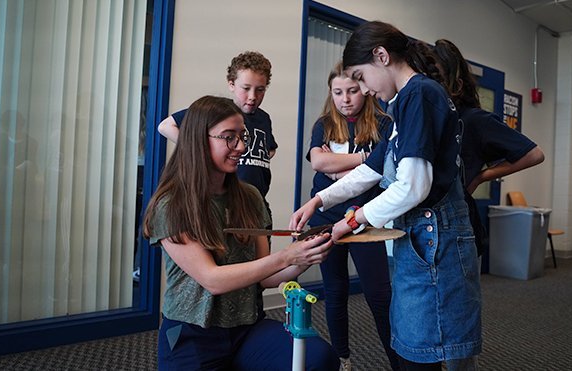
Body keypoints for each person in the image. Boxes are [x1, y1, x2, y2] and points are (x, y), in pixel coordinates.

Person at [290, 21, 481, 371]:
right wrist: (318, 202)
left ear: (381, 56)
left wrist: (353, 220)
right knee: (417, 347)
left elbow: (412, 186)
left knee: (426, 353)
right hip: (421, 241)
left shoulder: (417, 95)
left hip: (435, 242)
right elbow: (372, 169)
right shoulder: (405, 103)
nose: (364, 90)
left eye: (361, 78)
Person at [143, 95, 339, 370]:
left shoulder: (249, 196)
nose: (242, 147)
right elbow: (213, 280)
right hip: (193, 335)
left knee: (319, 358)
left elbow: (265, 277)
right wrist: (287, 257)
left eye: (242, 136)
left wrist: (305, 256)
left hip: (247, 329)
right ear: (198, 140)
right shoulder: (172, 204)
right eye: (229, 137)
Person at [306, 61, 399, 370]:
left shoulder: (384, 123)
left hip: (364, 218)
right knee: (335, 291)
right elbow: (319, 164)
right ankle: (342, 358)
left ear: (365, 90)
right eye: (337, 92)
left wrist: (340, 163)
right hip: (325, 216)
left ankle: (398, 361)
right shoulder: (323, 123)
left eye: (352, 91)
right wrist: (362, 158)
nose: (345, 99)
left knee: (379, 294)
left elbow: (376, 172)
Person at [432, 39, 545, 258]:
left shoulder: (475, 120)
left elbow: (534, 154)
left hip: (457, 224)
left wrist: (481, 177)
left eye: (437, 78)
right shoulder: (431, 120)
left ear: (454, 81)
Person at [158, 51, 278, 227]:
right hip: (229, 203)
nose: (252, 96)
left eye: (260, 90)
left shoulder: (264, 118)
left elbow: (270, 148)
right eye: (246, 88)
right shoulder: (218, 113)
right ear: (231, 84)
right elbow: (165, 126)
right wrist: (201, 149)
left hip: (256, 203)